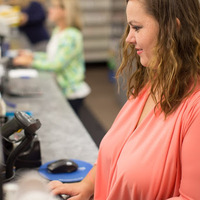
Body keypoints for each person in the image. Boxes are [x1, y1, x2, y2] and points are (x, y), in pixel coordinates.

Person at [48, 0, 200, 199]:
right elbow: (119, 151)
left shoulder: (195, 108)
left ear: (173, 29)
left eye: (137, 27)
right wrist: (87, 185)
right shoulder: (150, 83)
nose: (128, 38)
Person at [12, 0, 91, 116]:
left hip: (71, 93)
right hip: (62, 90)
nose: (49, 10)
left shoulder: (71, 35)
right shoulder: (58, 30)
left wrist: (31, 62)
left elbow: (56, 64)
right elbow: (52, 56)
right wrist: (32, 55)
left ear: (65, 11)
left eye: (54, 7)